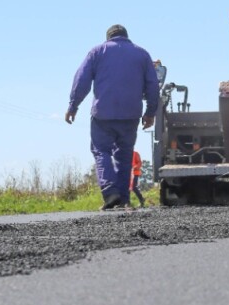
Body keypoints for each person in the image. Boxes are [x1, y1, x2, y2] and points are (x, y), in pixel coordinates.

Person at [66, 24, 159, 210]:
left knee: (101, 151)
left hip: (103, 114)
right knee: (124, 155)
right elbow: (152, 85)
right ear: (126, 37)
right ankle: (123, 198)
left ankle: (110, 193)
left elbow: (81, 80)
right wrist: (150, 112)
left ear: (108, 38)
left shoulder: (97, 52)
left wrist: (73, 106)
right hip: (131, 114)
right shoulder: (142, 54)